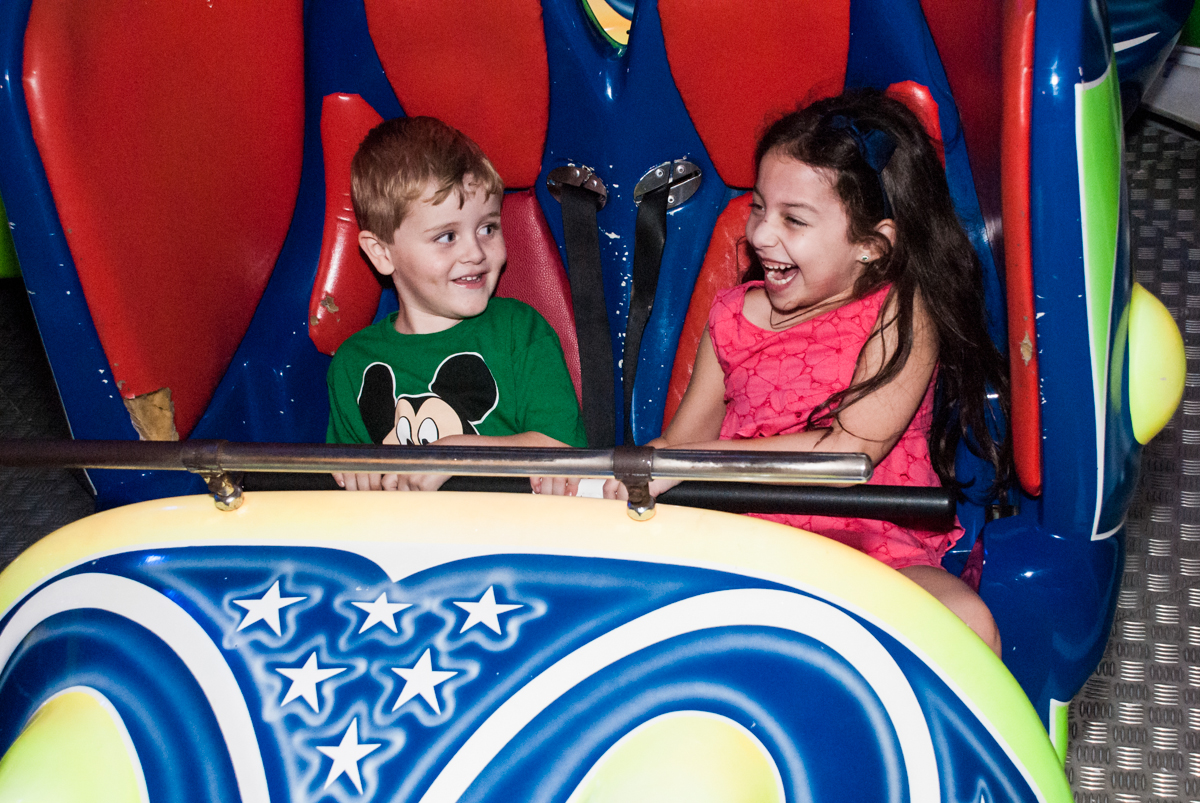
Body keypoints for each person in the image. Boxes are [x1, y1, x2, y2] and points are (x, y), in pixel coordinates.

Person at [539, 90, 1010, 654]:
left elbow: (848, 455)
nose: (761, 235)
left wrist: (679, 464)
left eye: (794, 219)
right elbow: (682, 444)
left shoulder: (902, 311)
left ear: (871, 245)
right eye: (759, 206)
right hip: (744, 541)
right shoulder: (733, 316)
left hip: (871, 550)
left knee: (966, 622)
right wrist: (605, 480)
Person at [327, 116, 586, 490]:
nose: (476, 252)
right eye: (447, 236)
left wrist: (461, 452)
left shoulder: (519, 331)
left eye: (488, 228)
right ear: (381, 253)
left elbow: (563, 453)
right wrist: (353, 475)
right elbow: (339, 482)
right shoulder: (352, 365)